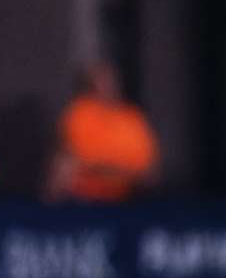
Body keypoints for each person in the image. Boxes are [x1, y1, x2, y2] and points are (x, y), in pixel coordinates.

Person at [46, 61, 158, 203]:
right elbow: (80, 162)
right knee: (62, 167)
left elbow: (148, 172)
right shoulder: (79, 114)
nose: (106, 86)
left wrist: (117, 172)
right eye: (100, 82)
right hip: (83, 199)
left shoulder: (133, 118)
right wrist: (117, 171)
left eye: (110, 81)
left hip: (129, 198)